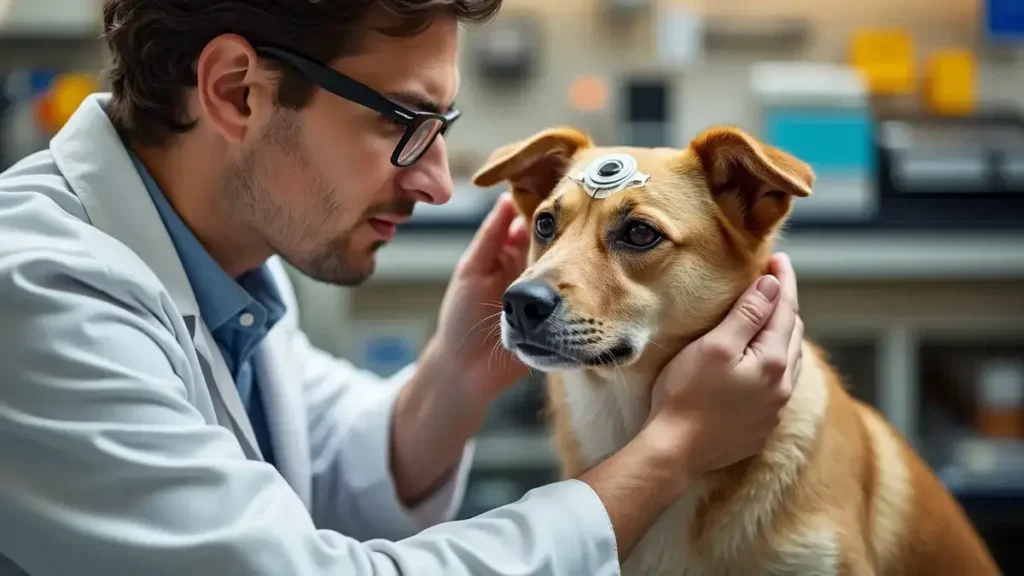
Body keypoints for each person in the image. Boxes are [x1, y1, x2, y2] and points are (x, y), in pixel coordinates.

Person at [0, 1, 803, 574]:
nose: (439, 184)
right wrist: (673, 450)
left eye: (442, 130)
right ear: (238, 90)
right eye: (403, 121)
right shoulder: (38, 298)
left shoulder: (223, 265)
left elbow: (322, 458)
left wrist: (457, 374)